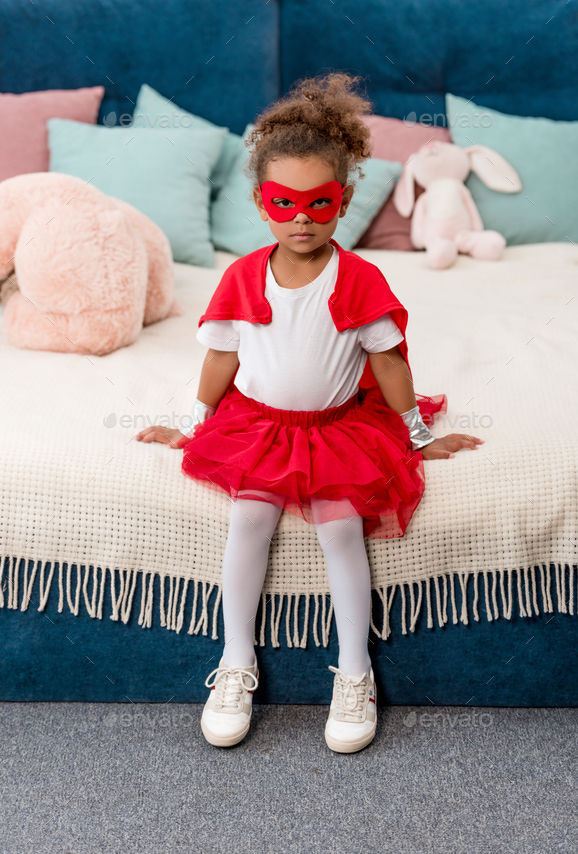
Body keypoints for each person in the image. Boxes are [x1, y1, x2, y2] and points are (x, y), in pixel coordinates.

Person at [135, 72, 483, 754]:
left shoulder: (358, 279)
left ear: (345, 200)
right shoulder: (241, 278)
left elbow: (388, 362)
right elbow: (220, 361)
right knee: (249, 519)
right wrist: (196, 426)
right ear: (260, 204)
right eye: (284, 203)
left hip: (338, 430)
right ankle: (236, 660)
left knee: (341, 527)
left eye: (319, 204)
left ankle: (355, 671)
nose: (302, 218)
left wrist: (415, 435)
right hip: (258, 427)